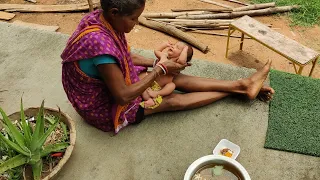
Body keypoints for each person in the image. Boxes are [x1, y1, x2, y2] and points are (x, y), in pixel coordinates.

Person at [61, 0, 274, 134]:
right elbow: (123, 96)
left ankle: (243, 85)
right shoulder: (100, 44)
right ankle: (237, 91)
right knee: (170, 101)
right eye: (133, 18)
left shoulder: (99, 18)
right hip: (102, 106)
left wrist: (158, 65)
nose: (136, 23)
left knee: (175, 79)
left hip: (114, 84)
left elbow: (123, 56)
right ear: (115, 12)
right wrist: (159, 70)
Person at [140, 41, 193, 109]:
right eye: (174, 44)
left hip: (159, 87)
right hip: (149, 80)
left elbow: (182, 61)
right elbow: (156, 51)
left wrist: (185, 50)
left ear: (182, 54)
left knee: (172, 85)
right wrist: (164, 45)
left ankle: (157, 94)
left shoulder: (177, 64)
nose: (173, 46)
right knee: (142, 76)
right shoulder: (164, 56)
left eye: (177, 47)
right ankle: (149, 99)